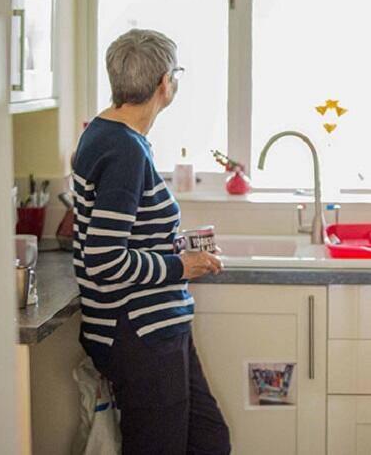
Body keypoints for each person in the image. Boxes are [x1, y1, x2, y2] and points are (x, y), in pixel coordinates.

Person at [71, 29, 231, 454]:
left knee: (210, 441)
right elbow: (105, 260)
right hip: (139, 332)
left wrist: (174, 247)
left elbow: (118, 232)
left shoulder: (108, 134)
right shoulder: (123, 150)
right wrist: (183, 266)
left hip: (155, 326)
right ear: (165, 83)